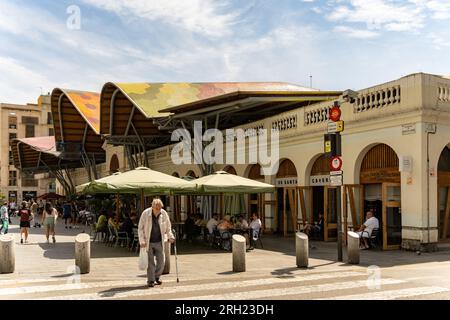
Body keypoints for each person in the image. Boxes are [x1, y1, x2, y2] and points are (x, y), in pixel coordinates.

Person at [138, 198, 175, 288]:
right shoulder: (145, 213)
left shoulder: (164, 213)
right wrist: (142, 240)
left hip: (160, 241)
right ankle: (151, 280)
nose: (159, 210)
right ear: (152, 207)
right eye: (157, 208)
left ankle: (157, 277)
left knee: (162, 261)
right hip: (148, 241)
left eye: (160, 208)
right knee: (150, 262)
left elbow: (168, 227)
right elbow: (140, 228)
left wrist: (170, 236)